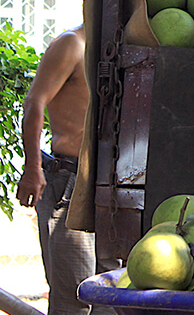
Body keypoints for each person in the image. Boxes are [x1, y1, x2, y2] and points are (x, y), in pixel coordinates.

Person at [16, 24, 114, 315]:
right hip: (71, 181)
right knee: (74, 297)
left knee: (113, 297)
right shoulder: (72, 44)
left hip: (112, 186)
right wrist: (32, 167)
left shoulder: (121, 50)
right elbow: (34, 102)